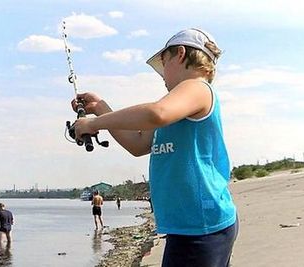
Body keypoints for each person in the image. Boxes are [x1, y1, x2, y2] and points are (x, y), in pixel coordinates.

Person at [72, 28, 238, 266]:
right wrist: (100, 107)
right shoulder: (175, 105)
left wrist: (93, 124)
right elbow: (138, 144)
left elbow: (156, 113)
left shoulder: (197, 87)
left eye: (163, 63)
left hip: (201, 227)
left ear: (180, 54)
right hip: (186, 227)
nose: (161, 75)